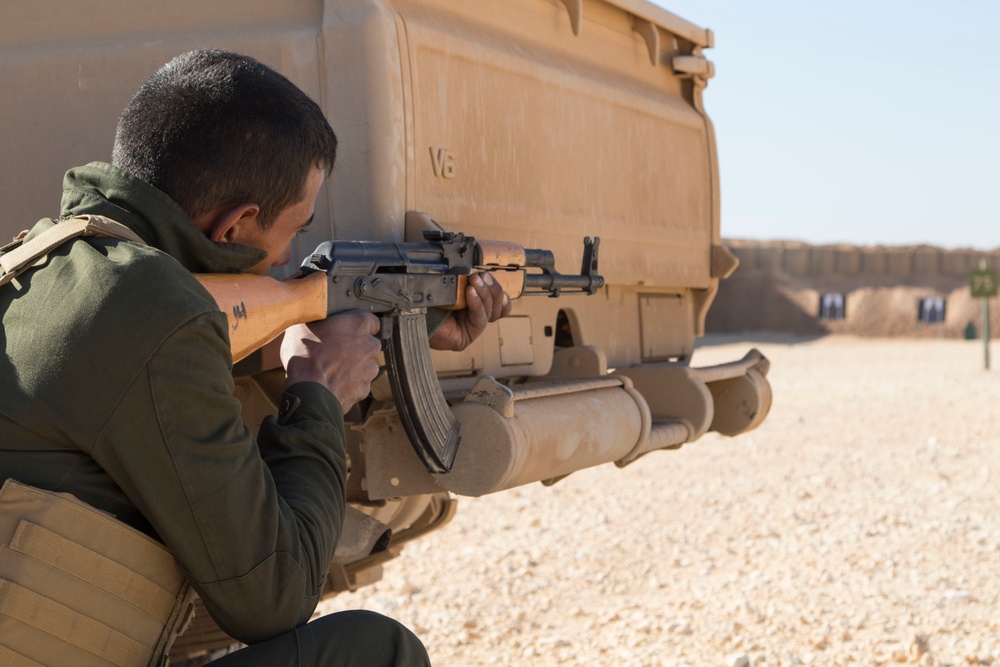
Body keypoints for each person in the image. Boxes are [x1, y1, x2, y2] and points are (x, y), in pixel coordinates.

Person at [0, 49, 510, 666]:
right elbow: (275, 595)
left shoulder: (37, 261)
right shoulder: (153, 308)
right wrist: (319, 390)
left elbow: (148, 368)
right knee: (376, 652)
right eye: (294, 230)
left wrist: (411, 320)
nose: (286, 258)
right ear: (237, 225)